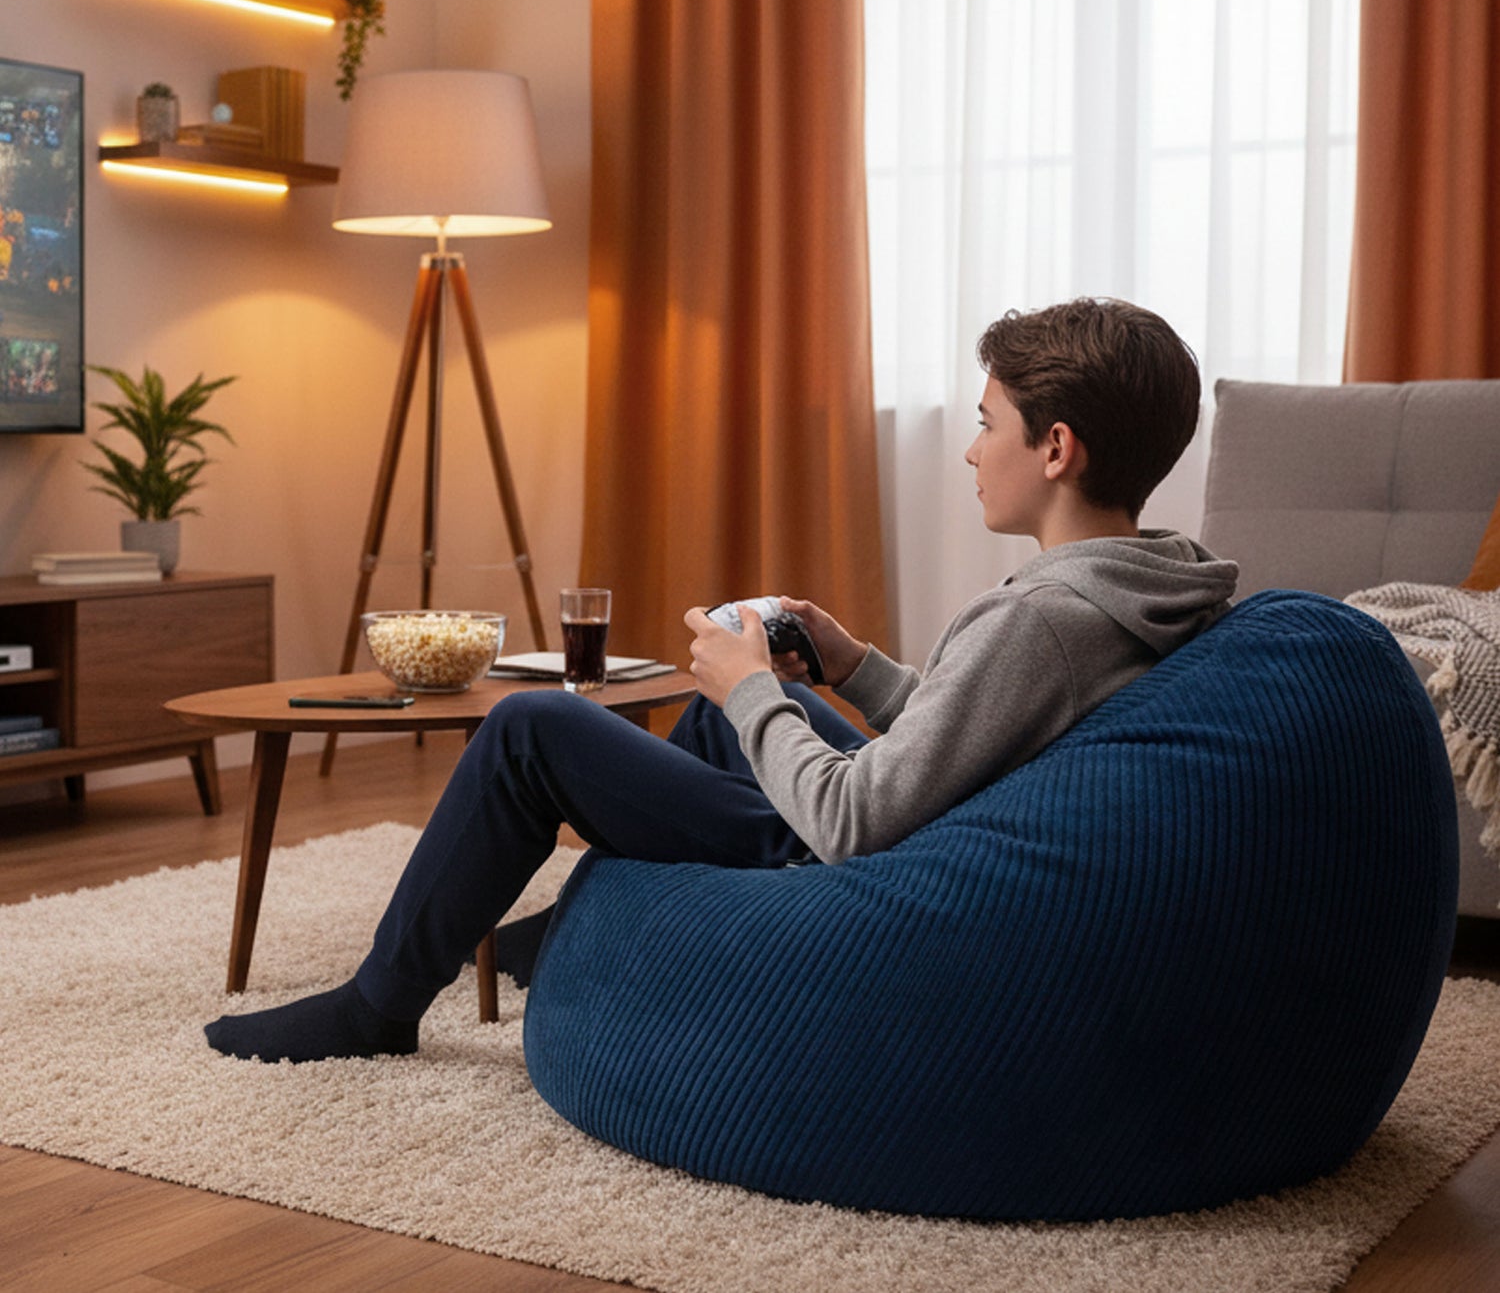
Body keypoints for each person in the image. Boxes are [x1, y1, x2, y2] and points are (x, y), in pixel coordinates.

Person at [205, 297, 1238, 1064]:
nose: (970, 451)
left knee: (531, 731)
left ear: (1056, 448)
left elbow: (854, 821)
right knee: (708, 731)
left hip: (885, 877)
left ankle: (380, 1005)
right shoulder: (1142, 586)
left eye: (987, 422)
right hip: (952, 831)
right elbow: (983, 736)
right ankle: (549, 936)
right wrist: (845, 666)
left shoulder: (1040, 619)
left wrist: (754, 686)